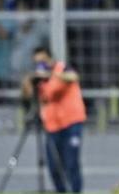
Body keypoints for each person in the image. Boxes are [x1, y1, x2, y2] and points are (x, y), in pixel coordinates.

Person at [23, 46, 87, 193]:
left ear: (50, 58)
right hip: (52, 126)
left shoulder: (62, 68)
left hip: (71, 123)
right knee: (53, 166)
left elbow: (73, 77)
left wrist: (51, 74)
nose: (41, 65)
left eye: (43, 61)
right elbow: (27, 96)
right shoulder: (40, 80)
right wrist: (29, 81)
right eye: (37, 62)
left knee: (71, 163)